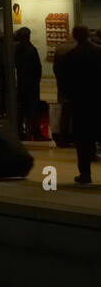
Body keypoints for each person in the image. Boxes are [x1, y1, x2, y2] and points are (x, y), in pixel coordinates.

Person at [54, 25, 101, 184]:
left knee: (83, 140)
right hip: (98, 100)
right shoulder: (99, 51)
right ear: (88, 34)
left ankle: (85, 174)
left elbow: (64, 81)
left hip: (80, 103)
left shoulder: (70, 56)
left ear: (74, 36)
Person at [13, 27, 42, 140]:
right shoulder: (31, 49)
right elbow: (37, 67)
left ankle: (21, 132)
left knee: (21, 109)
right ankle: (35, 132)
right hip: (31, 83)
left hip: (21, 83)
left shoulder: (16, 49)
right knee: (33, 109)